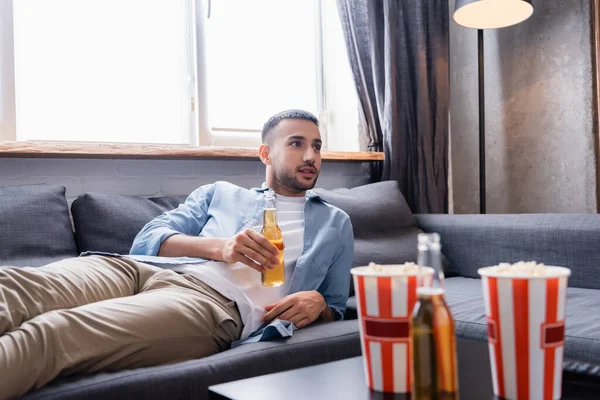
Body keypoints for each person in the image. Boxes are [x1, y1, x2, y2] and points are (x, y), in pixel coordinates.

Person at [0, 109, 354, 399]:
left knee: (54, 334)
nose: (311, 156)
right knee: (12, 286)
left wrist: (318, 305)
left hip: (213, 305)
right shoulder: (220, 193)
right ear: (265, 153)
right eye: (297, 144)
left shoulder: (334, 222)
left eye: (317, 146)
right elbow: (147, 238)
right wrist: (221, 247)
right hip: (138, 268)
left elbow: (336, 307)